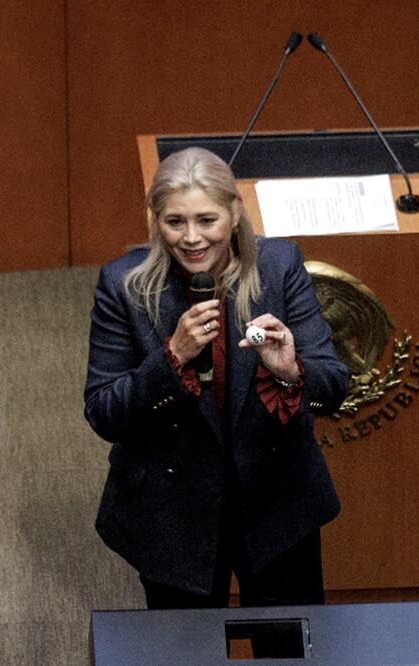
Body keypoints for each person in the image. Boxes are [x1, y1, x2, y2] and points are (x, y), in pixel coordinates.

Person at [84, 147, 349, 619]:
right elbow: (104, 412)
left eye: (206, 220)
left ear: (234, 211)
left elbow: (333, 386)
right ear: (155, 220)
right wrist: (172, 357)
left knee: (289, 645)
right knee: (185, 649)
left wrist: (291, 371)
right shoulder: (122, 285)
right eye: (175, 222)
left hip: (275, 502)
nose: (191, 238)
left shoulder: (280, 265)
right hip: (173, 511)